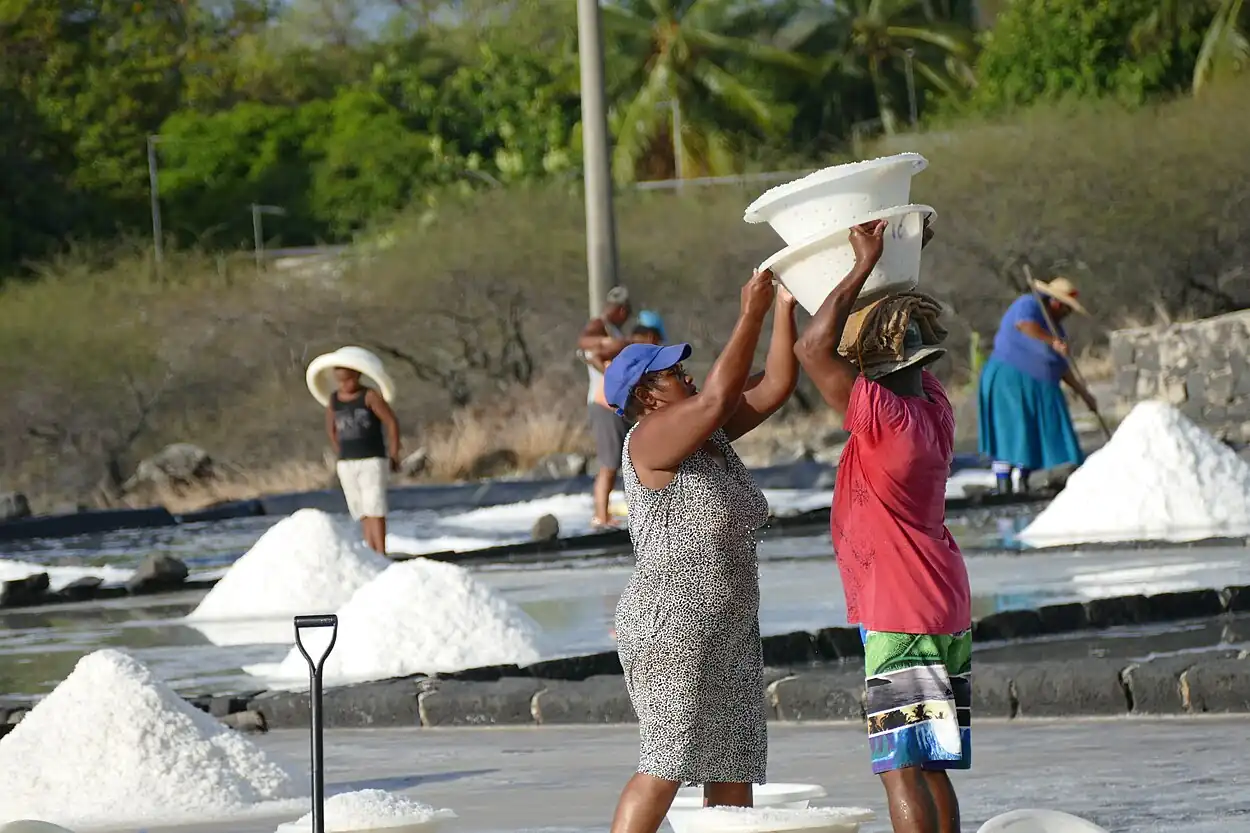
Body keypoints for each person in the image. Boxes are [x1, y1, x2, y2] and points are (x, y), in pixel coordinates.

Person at [603, 269, 798, 833]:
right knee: (666, 763)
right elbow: (716, 396)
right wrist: (750, 313)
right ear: (647, 394)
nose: (684, 373)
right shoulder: (649, 437)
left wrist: (784, 306)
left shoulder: (706, 434)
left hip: (730, 621)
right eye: (670, 372)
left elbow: (776, 385)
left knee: (732, 764)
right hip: (673, 625)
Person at [794, 219, 971, 833]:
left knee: (899, 767)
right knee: (929, 765)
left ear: (871, 366)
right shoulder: (934, 409)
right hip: (941, 599)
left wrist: (864, 264)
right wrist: (904, 260)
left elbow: (810, 350)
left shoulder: (888, 420)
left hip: (901, 611)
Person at [977, 277, 1095, 493]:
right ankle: (1003, 486)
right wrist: (1052, 342)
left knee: (1031, 434)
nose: (1068, 315)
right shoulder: (1029, 304)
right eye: (1067, 309)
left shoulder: (1057, 329)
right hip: (1008, 379)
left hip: (1038, 385)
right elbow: (1024, 325)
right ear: (1057, 303)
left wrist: (1083, 393)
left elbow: (1062, 368)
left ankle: (1024, 483)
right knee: (1010, 430)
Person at [325, 367, 401, 554]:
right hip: (347, 461)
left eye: (348, 380)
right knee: (360, 509)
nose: (344, 385)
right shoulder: (334, 400)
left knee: (375, 505)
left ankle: (381, 551)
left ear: (357, 377)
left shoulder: (369, 396)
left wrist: (394, 452)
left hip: (372, 459)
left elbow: (391, 422)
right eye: (340, 381)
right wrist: (339, 450)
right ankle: (370, 550)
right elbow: (331, 427)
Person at [578, 286, 633, 528]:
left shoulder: (615, 331)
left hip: (619, 404)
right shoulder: (599, 328)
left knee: (626, 459)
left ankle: (611, 512)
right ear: (621, 310)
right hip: (604, 404)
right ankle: (601, 516)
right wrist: (616, 344)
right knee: (609, 462)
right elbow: (587, 345)